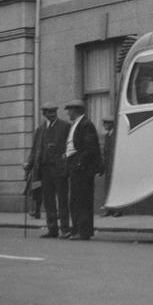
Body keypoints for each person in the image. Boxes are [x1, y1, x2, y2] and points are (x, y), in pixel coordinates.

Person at [26, 101, 72, 238]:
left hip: (59, 168)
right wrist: (29, 164)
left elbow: (70, 145)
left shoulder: (65, 126)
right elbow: (35, 150)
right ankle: (52, 229)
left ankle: (65, 228)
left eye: (53, 112)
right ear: (44, 114)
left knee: (62, 199)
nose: (52, 115)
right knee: (48, 200)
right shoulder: (40, 129)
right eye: (49, 112)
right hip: (44, 169)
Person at [64, 99, 103, 241]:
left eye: (70, 110)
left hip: (82, 169)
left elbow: (90, 148)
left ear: (76, 110)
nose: (68, 112)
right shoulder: (77, 124)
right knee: (74, 200)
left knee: (83, 201)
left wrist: (79, 162)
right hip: (74, 166)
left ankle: (84, 231)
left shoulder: (86, 125)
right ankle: (75, 230)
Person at [99, 117, 120, 217]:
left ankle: (118, 209)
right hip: (108, 165)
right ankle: (109, 209)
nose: (104, 126)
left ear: (111, 124)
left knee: (115, 188)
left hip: (114, 166)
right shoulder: (107, 135)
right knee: (108, 187)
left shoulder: (116, 135)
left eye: (106, 123)